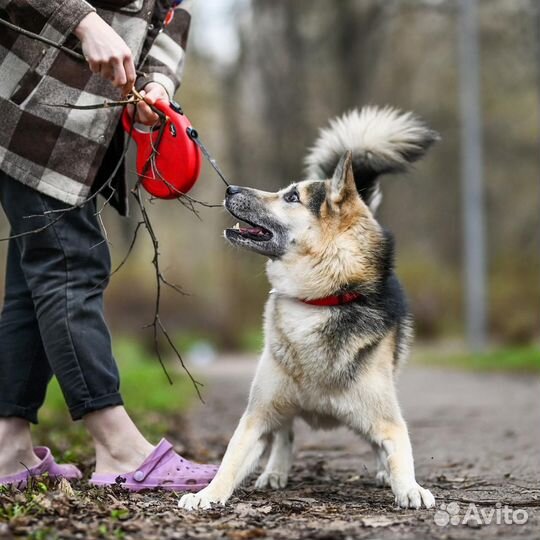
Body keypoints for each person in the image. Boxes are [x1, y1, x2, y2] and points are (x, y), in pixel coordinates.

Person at [0, 0, 217, 491]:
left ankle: (8, 446)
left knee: (31, 282)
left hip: (87, 132)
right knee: (71, 264)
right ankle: (118, 446)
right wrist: (83, 19)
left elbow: (171, 12)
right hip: (31, 110)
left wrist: (158, 82)